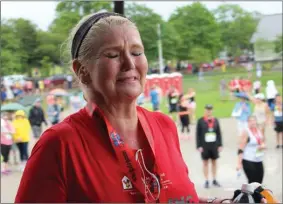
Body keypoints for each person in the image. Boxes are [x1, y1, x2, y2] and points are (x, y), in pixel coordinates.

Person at [15, 12, 228, 203]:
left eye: (136, 52)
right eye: (113, 55)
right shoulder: (60, 145)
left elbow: (170, 197)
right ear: (82, 70)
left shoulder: (164, 126)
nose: (129, 64)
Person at [196, 105, 223, 189]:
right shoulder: (200, 121)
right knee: (205, 163)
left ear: (212, 111)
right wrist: (199, 146)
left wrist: (220, 145)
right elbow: (198, 134)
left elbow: (219, 133)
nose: (209, 111)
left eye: (210, 110)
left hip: (214, 145)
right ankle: (207, 180)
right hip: (204, 145)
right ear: (205, 111)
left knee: (214, 162)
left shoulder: (215, 120)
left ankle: (214, 179)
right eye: (207, 110)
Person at [237, 116, 266, 184]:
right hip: (248, 160)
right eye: (250, 121)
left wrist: (263, 145)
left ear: (256, 122)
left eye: (254, 121)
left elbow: (262, 141)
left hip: (258, 159)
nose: (252, 122)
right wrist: (239, 163)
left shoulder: (259, 130)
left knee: (259, 181)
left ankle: (256, 195)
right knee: (252, 181)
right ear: (248, 122)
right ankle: (251, 194)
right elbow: (240, 148)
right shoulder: (246, 132)